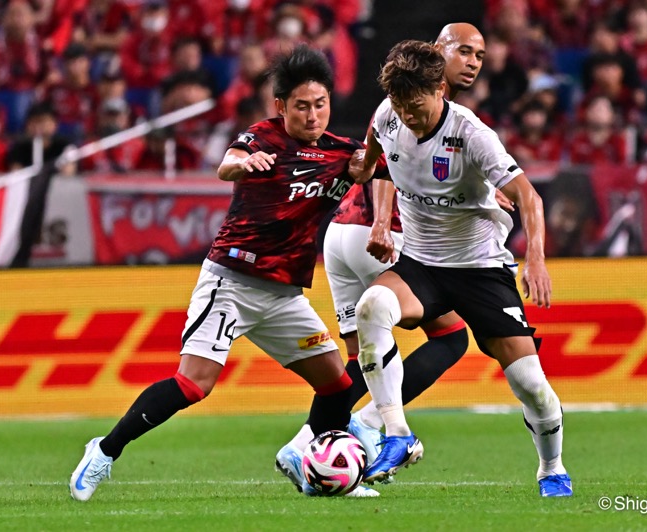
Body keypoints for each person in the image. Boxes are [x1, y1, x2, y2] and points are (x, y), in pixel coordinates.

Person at [69, 45, 382, 501]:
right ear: (280, 106)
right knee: (193, 384)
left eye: (320, 104)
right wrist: (242, 165)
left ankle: (311, 462)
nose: (313, 115)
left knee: (338, 384)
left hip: (282, 296)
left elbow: (382, 170)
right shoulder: (263, 138)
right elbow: (227, 163)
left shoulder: (343, 153)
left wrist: (369, 166)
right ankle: (104, 451)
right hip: (231, 282)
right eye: (301, 106)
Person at [274, 22, 493, 488]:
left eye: (480, 55)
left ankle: (303, 446)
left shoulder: (408, 103)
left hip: (339, 237)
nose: (473, 62)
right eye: (465, 52)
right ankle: (373, 426)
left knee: (357, 362)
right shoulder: (418, 108)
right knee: (451, 337)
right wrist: (380, 224)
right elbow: (386, 166)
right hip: (378, 234)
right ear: (438, 54)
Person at [348, 40, 572, 497]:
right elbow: (373, 159)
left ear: (439, 91)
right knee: (371, 307)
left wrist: (535, 259)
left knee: (532, 386)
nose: (408, 115)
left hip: (480, 269)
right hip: (422, 264)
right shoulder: (387, 114)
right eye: (400, 105)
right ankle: (396, 433)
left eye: (416, 106)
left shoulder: (471, 134)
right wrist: (363, 176)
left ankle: (552, 467)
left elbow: (529, 196)